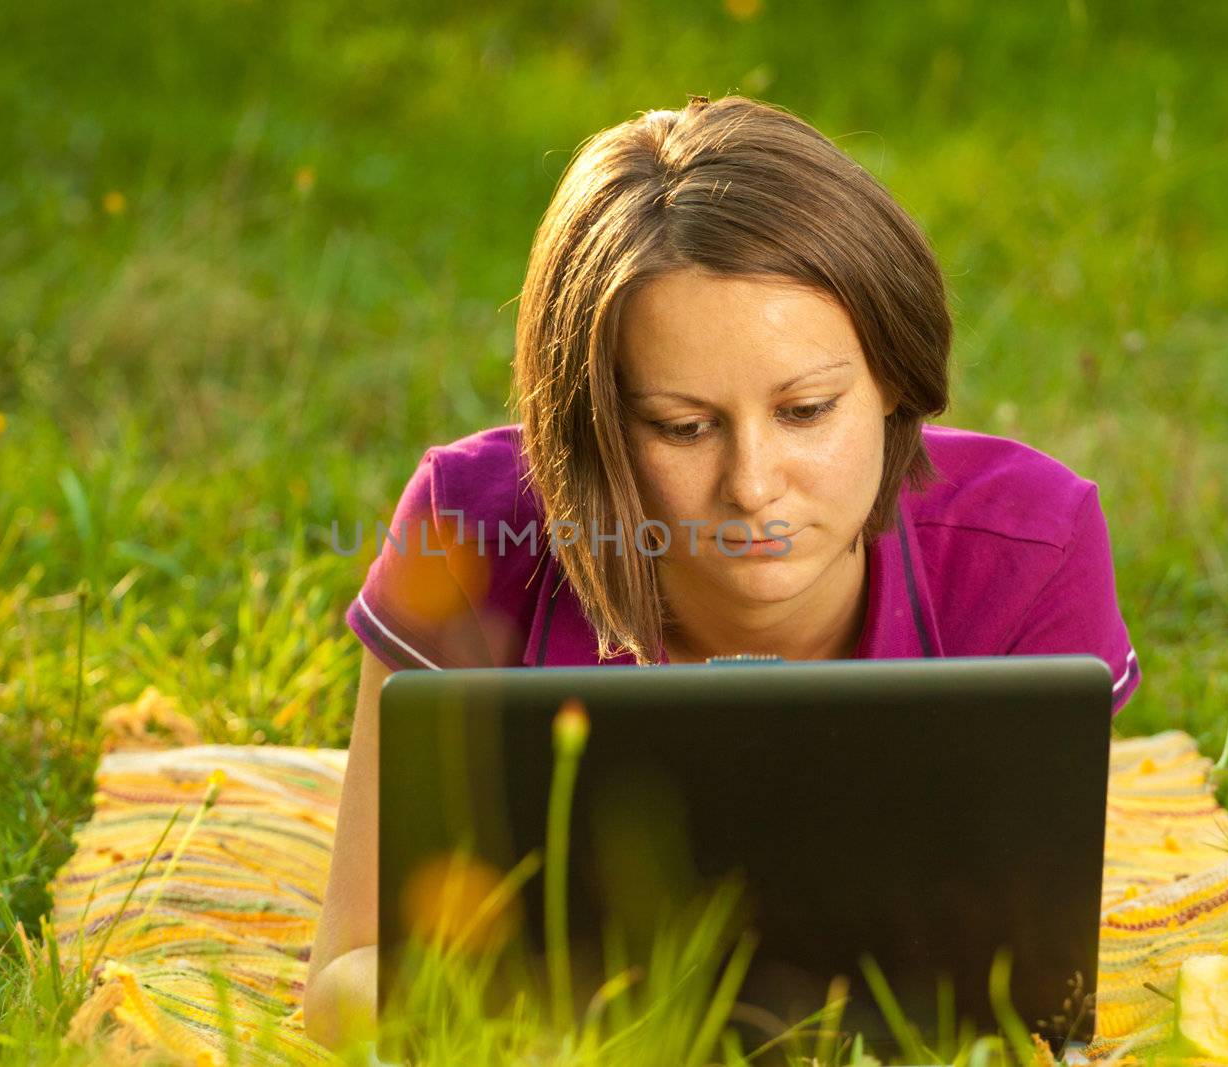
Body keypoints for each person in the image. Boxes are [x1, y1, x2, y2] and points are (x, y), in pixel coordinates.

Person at [302, 93, 1142, 1052]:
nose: (752, 485)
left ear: (894, 379)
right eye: (683, 426)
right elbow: (343, 983)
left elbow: (1046, 998)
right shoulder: (468, 529)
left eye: (808, 410)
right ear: (593, 425)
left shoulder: (1031, 546)